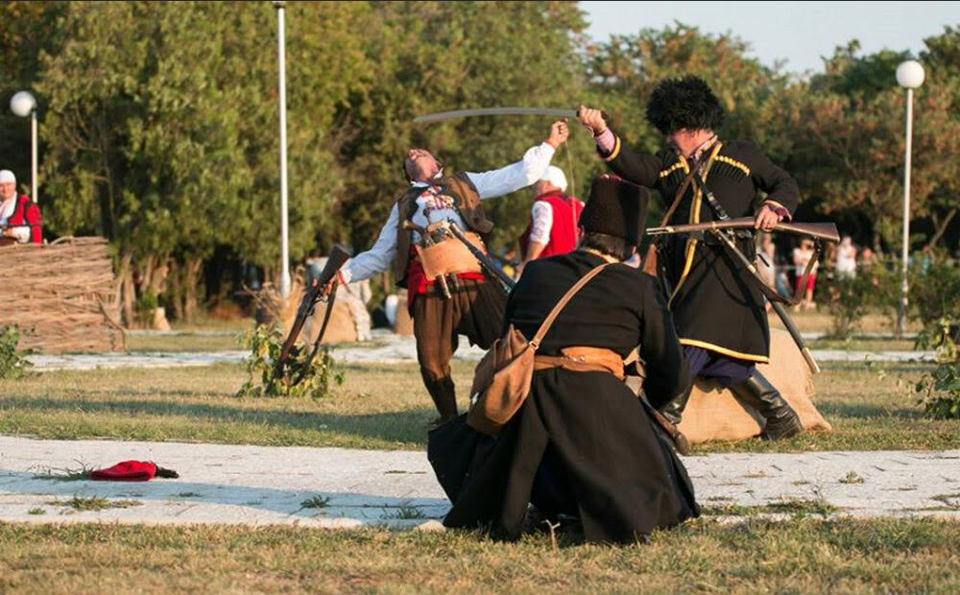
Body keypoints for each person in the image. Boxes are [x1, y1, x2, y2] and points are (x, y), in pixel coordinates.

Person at [433, 175, 698, 544]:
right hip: (599, 410)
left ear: (582, 231)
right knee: (668, 494)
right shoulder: (640, 286)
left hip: (524, 411)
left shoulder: (536, 272)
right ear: (631, 245)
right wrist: (645, 404)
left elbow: (508, 340)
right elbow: (671, 370)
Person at [579, 76, 803, 440]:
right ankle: (780, 415)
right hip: (682, 272)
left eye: (672, 130)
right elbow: (635, 167)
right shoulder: (669, 162)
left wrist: (773, 208)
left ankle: (664, 422)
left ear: (692, 126)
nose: (668, 137)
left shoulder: (742, 155)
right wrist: (602, 132)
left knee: (688, 340)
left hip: (726, 269)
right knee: (723, 357)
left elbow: (785, 183)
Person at [334, 120, 569, 422]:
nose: (413, 151)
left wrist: (550, 144)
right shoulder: (404, 204)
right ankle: (449, 420)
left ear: (437, 163)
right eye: (409, 156)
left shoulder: (465, 183)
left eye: (421, 151)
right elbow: (379, 256)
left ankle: (525, 411)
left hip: (475, 279)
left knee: (513, 343)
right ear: (408, 175)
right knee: (432, 364)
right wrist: (342, 275)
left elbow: (518, 175)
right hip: (430, 286)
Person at [517, 165, 584, 273]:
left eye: (537, 183)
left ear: (546, 184)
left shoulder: (543, 205)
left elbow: (539, 238)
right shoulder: (579, 205)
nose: (534, 188)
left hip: (546, 269)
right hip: (573, 270)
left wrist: (527, 263)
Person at [0, 170, 41, 245]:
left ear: (14, 185)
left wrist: (13, 232)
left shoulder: (25, 204)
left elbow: (35, 230)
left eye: (8, 184)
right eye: (1, 186)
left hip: (19, 250)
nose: (5, 189)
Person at [792, 238, 819, 311]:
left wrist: (810, 243)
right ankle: (797, 305)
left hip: (810, 273)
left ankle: (807, 306)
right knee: (799, 290)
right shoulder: (797, 251)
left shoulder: (811, 252)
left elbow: (815, 263)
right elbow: (796, 261)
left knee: (809, 289)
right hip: (800, 273)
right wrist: (802, 261)